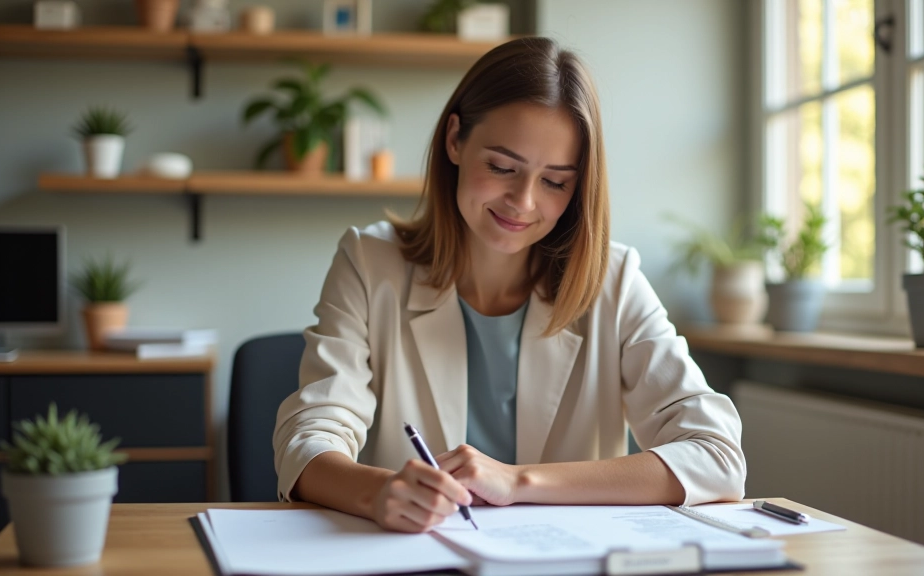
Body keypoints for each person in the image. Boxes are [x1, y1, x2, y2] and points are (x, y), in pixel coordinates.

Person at [273, 37, 745, 534]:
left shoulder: (615, 280)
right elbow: (307, 439)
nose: (522, 201)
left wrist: (519, 482)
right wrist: (377, 493)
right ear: (455, 139)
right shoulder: (370, 262)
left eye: (555, 181)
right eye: (501, 167)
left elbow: (716, 456)